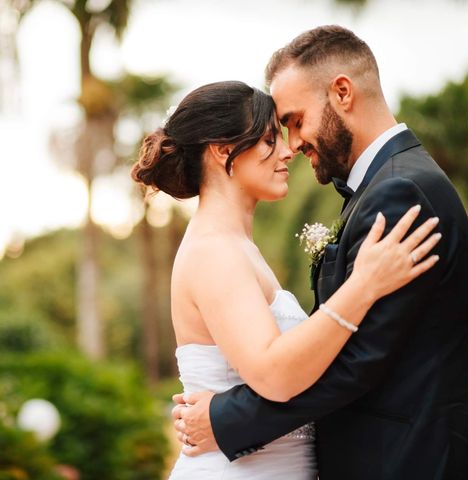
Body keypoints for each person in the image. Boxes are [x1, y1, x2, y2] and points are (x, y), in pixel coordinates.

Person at [171, 26, 468, 479]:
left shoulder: (400, 191)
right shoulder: (386, 186)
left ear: (342, 93)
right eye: (278, 132)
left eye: (294, 121)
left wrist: (225, 419)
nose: (292, 145)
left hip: (405, 460)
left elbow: (358, 359)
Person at [132, 79, 441, 479]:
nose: (287, 151)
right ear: (223, 150)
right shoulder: (214, 251)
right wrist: (364, 285)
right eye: (267, 141)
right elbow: (273, 375)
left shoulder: (236, 246)